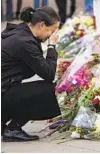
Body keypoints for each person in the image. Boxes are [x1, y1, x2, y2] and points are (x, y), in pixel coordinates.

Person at [1, 6, 61, 142]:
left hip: (5, 90)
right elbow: (48, 73)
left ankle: (6, 121)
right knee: (51, 91)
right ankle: (13, 129)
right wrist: (52, 46)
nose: (52, 36)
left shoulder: (22, 32)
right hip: (3, 94)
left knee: (41, 87)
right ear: (41, 25)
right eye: (51, 31)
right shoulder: (24, 42)